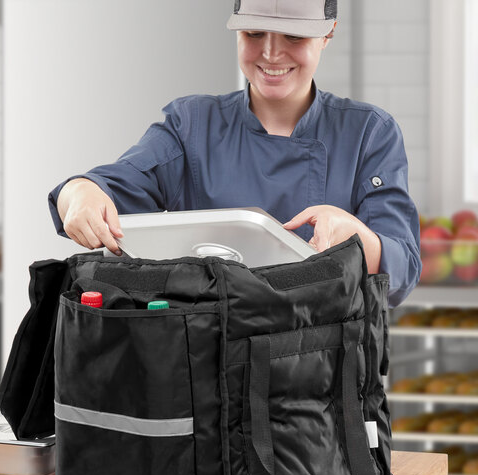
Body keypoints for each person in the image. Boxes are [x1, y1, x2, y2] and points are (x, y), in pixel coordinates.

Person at [48, 0, 421, 307]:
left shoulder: (368, 132)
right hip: (205, 370)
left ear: (328, 33)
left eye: (293, 35)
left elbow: (401, 269)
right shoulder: (192, 125)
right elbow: (113, 185)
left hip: (323, 378)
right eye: (254, 33)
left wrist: (357, 238)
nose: (271, 53)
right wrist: (79, 192)